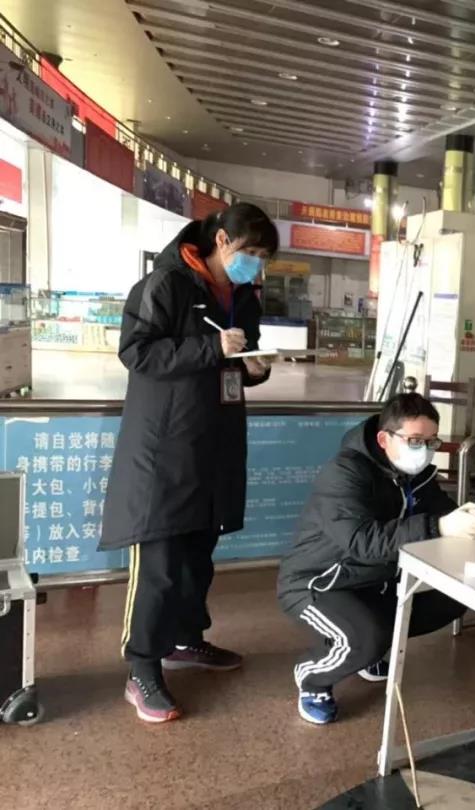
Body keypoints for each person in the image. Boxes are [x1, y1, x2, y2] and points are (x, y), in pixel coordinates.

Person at [99, 202, 279, 723]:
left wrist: (256, 369)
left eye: (263, 257)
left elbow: (236, 362)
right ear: (222, 240)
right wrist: (210, 347)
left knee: (199, 555)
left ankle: (183, 639)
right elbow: (137, 353)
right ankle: (141, 667)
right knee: (159, 561)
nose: (256, 264)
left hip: (214, 444)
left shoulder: (242, 297)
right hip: (164, 447)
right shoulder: (167, 284)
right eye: (251, 252)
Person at [277, 394, 475, 725]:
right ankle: (313, 677)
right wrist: (440, 526)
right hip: (319, 581)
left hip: (375, 579)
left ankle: (366, 649)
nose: (424, 450)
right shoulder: (344, 473)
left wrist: (468, 520)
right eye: (415, 440)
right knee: (366, 638)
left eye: (431, 441)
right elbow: (361, 542)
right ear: (383, 438)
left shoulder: (415, 476)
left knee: (450, 600)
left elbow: (442, 512)